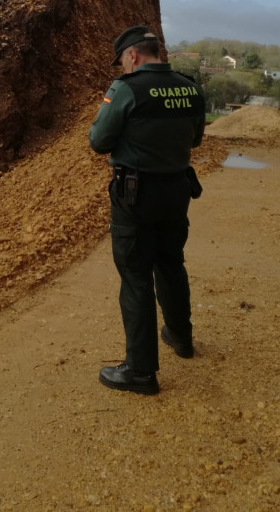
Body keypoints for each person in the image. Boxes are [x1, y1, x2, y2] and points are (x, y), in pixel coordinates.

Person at [88, 25, 205, 395]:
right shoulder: (190, 87)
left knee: (136, 275)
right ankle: (181, 337)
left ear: (133, 56)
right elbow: (197, 138)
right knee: (171, 262)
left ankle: (140, 371)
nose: (123, 66)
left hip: (135, 194)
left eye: (123, 60)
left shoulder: (126, 88)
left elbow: (98, 141)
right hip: (177, 189)